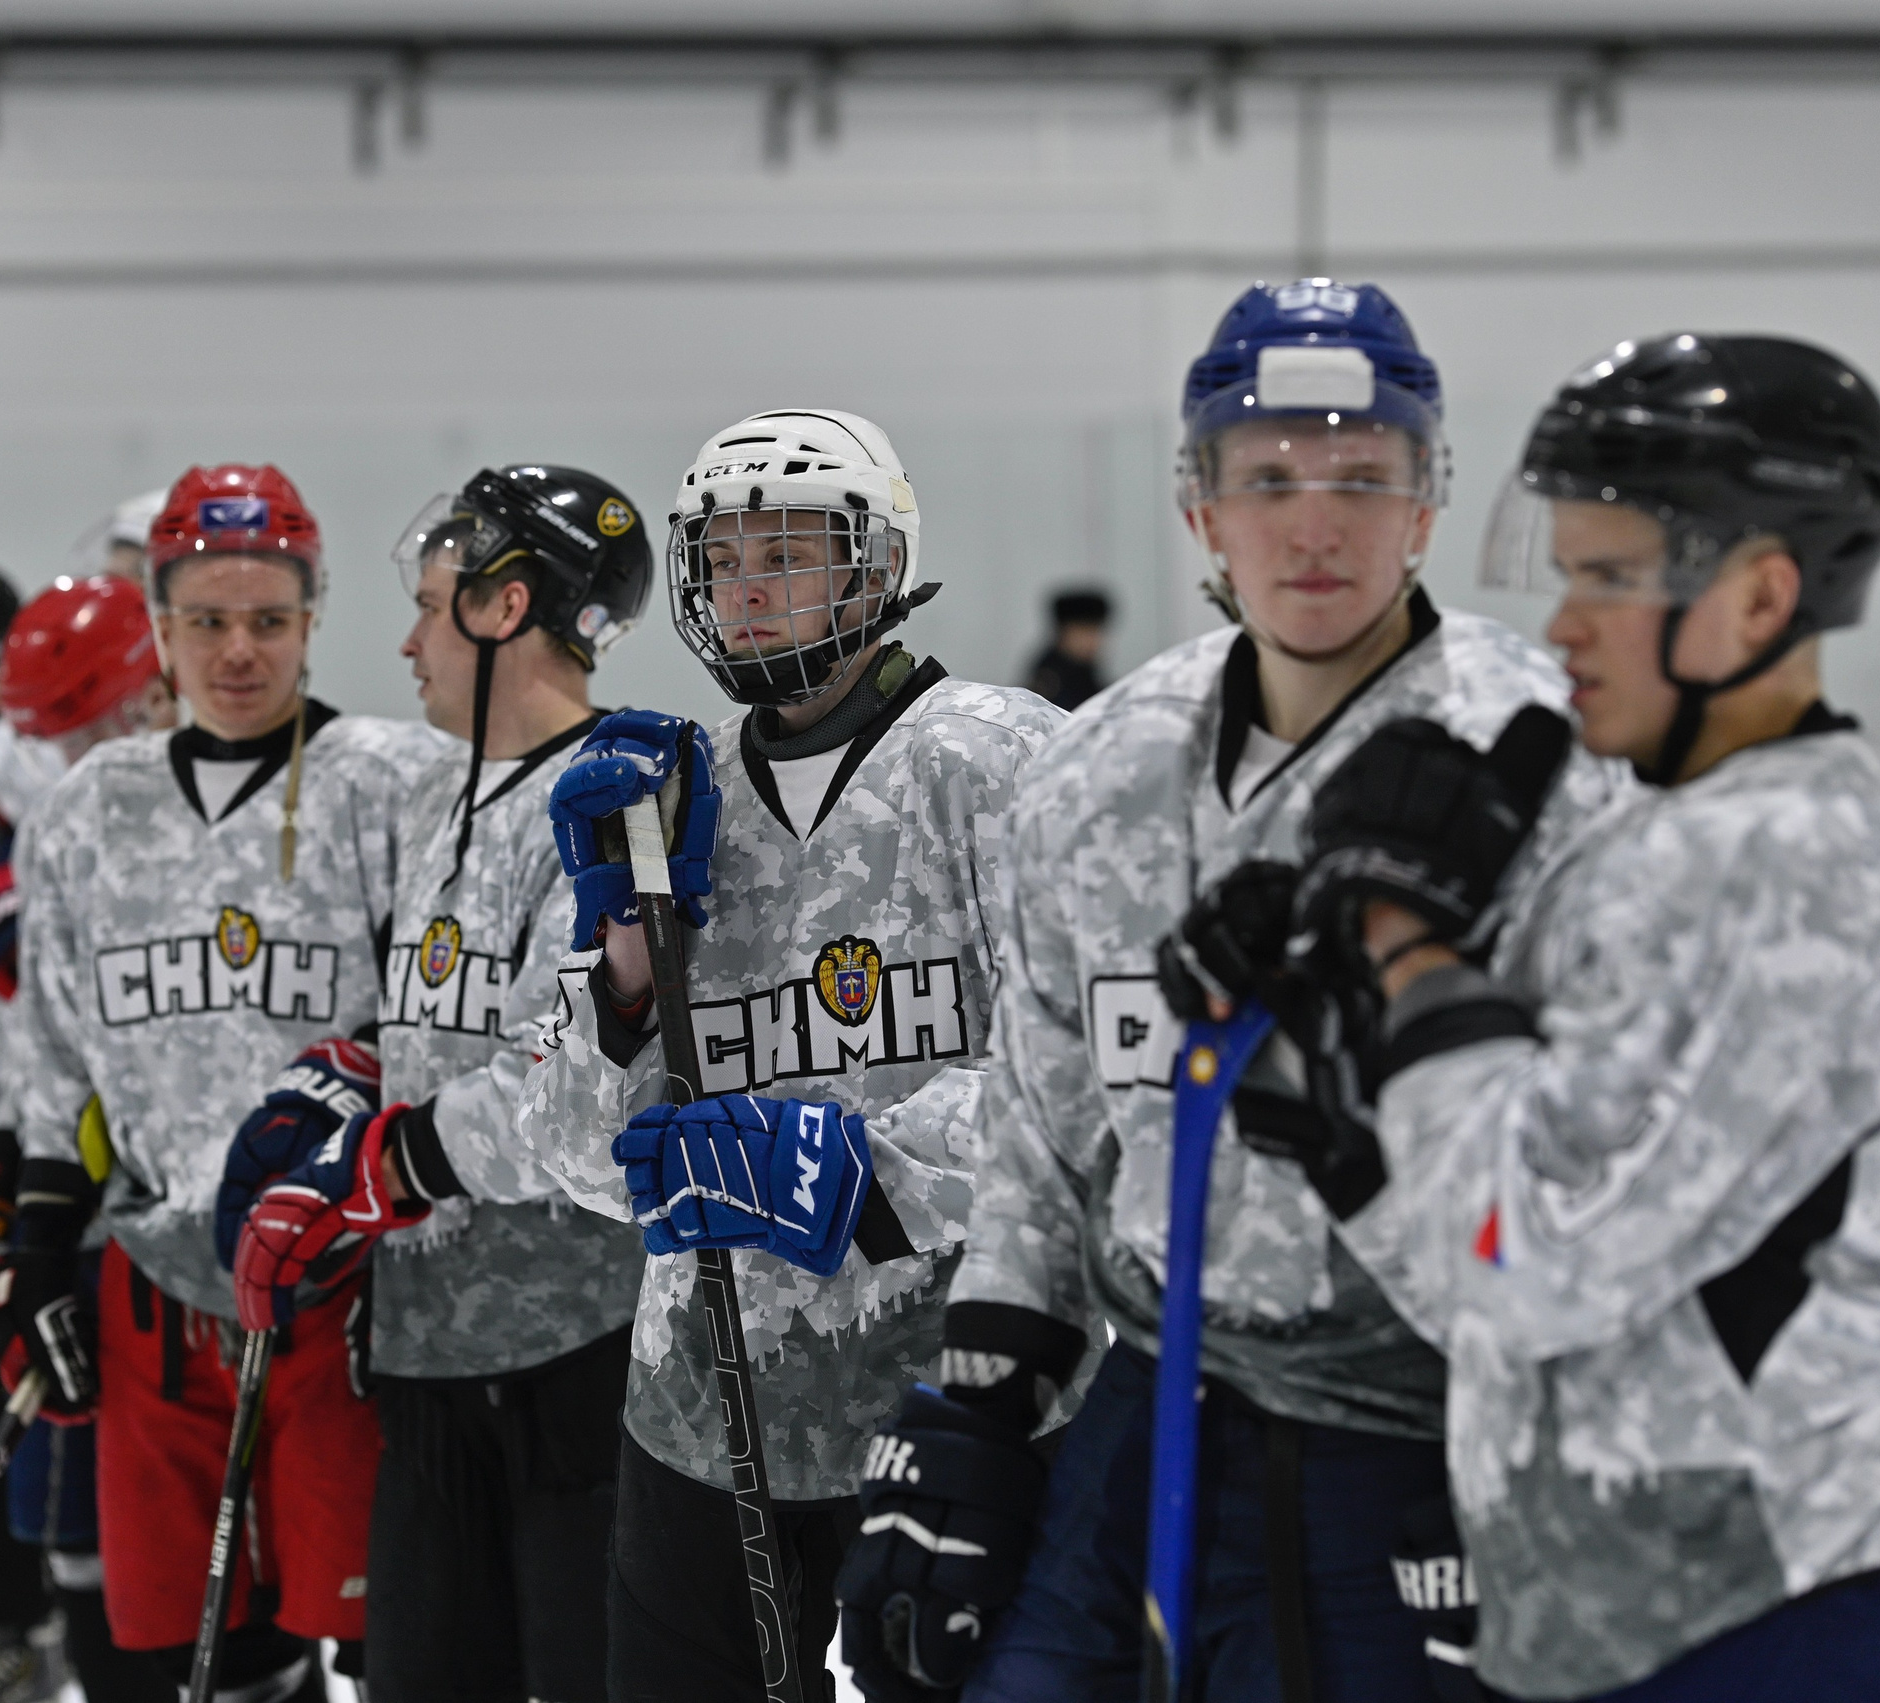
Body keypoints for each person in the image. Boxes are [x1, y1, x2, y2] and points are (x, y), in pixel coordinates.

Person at [838, 279, 1615, 1703]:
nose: (1314, 522)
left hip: (1418, 1433)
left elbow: (1596, 1157)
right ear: (1201, 506)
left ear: (1427, 500)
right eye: (1266, 477)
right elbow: (1042, 1128)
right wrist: (979, 1407)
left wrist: (1533, 1443)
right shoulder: (1102, 766)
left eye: (1361, 476)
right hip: (1153, 1406)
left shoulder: (1543, 766)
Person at [1280, 334, 1880, 1701]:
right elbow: (1500, 1271)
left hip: (1783, 1614)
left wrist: (1415, 961)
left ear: (1759, 597)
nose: (1564, 621)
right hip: (1652, 1602)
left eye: (1612, 577)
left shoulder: (1775, 855)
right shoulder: (1694, 834)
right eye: (1567, 570)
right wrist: (1356, 1125)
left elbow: (1526, 1255)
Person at [518, 409, 1065, 1702]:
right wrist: (628, 982)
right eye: (725, 556)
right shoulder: (667, 794)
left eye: (793, 551)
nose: (752, 586)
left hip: (961, 1401)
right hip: (705, 1412)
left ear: (874, 567)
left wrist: (858, 1170)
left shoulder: (1003, 755)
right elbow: (586, 1162)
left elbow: (1083, 1073)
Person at [6, 464, 446, 1701]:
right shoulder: (87, 810)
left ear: (313, 618)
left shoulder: (395, 782)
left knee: (383, 1635)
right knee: (190, 1649)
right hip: (150, 1282)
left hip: (345, 1285)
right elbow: (52, 1052)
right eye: (206, 619)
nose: (237, 650)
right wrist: (37, 1247)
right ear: (156, 626)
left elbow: (440, 1023)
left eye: (267, 619)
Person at [221, 465, 654, 1702]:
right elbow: (437, 1024)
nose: (407, 642)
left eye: (428, 604)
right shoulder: (440, 794)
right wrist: (342, 1081)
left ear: (505, 607)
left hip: (573, 1347)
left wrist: (381, 1165)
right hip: (423, 1350)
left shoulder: (615, 794)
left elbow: (571, 1081)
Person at [0, 568, 180, 1703]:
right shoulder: (43, 806)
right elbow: (29, 1016)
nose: (51, 748)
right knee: (80, 1513)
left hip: (188, 1230)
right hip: (73, 1196)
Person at [1022, 586, 1113, 710]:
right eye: (1084, 631)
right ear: (1063, 632)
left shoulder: (1085, 672)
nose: (1093, 640)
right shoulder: (1050, 678)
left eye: (1096, 631)